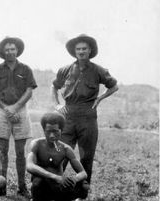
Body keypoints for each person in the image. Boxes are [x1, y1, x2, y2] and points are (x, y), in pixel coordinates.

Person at [51, 34, 118, 190]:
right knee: (60, 152)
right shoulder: (65, 69)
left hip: (88, 115)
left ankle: (82, 192)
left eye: (84, 49)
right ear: (74, 51)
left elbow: (114, 86)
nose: (81, 52)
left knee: (86, 157)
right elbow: (53, 86)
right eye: (78, 49)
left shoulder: (98, 70)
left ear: (90, 51)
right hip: (67, 114)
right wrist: (56, 104)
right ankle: (55, 188)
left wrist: (100, 98)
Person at [0, 36, 37, 197]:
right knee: (2, 152)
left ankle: (22, 187)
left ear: (17, 51)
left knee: (20, 152)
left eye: (12, 49)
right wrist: (6, 108)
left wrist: (15, 108)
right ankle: (1, 187)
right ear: (3, 51)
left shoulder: (26, 69)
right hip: (2, 110)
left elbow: (29, 90)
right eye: (7, 49)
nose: (10, 52)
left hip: (21, 110)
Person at [26, 112, 89, 201]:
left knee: (83, 185)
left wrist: (74, 179)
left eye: (55, 131)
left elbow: (83, 173)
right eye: (48, 131)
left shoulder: (66, 149)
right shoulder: (36, 144)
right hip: (42, 187)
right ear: (44, 130)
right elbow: (29, 166)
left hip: (58, 186)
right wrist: (55, 177)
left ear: (61, 130)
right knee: (37, 182)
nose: (51, 135)